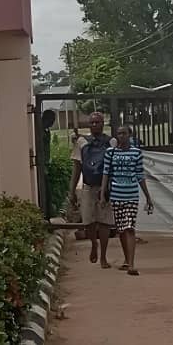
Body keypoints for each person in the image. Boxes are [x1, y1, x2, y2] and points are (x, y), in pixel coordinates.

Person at [100, 124, 153, 276]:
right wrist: (103, 194)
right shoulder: (111, 153)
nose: (121, 136)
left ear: (130, 135)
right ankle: (126, 259)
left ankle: (131, 264)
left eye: (124, 133)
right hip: (116, 196)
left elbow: (140, 175)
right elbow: (106, 174)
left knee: (129, 227)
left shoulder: (136, 153)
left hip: (131, 195)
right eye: (118, 134)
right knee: (121, 229)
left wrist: (148, 196)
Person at [73, 112, 114, 266]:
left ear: (103, 123)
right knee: (88, 221)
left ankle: (103, 255)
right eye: (92, 122)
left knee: (104, 222)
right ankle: (93, 244)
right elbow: (76, 168)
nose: (95, 125)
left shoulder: (112, 142)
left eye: (97, 122)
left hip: (105, 188)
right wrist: (72, 192)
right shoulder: (82, 142)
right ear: (89, 125)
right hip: (88, 187)